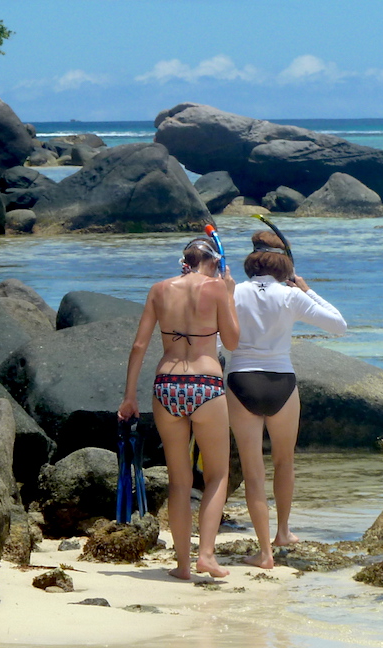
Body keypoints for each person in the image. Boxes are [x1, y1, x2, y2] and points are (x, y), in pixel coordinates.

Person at [118, 237, 240, 579]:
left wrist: (130, 395)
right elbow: (231, 342)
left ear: (185, 261)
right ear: (213, 262)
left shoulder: (159, 289)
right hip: (205, 383)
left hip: (167, 385)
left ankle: (183, 565)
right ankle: (207, 555)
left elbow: (140, 344)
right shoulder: (217, 288)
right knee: (217, 475)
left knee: (179, 480)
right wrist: (228, 294)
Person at [227, 229, 346, 569]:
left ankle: (264, 553)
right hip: (281, 381)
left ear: (252, 260)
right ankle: (283, 532)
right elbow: (338, 325)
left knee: (253, 472)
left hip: (242, 381)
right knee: (284, 461)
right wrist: (306, 289)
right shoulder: (290, 295)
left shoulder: (234, 292)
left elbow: (221, 337)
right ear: (283, 264)